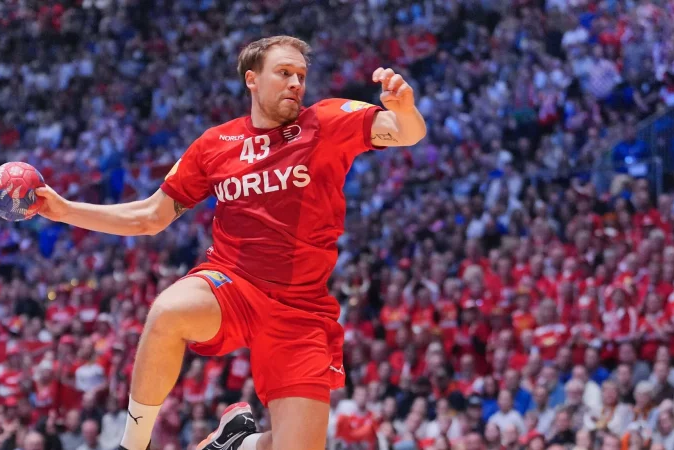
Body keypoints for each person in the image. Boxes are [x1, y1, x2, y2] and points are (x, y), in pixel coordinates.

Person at [34, 35, 426, 450]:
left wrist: (404, 110)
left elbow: (406, 134)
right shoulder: (214, 145)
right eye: (284, 73)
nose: (295, 82)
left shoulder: (328, 121)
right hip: (233, 284)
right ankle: (133, 445)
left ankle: (236, 443)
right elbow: (150, 218)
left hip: (303, 310)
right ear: (252, 80)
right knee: (168, 311)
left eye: (301, 75)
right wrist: (64, 211)